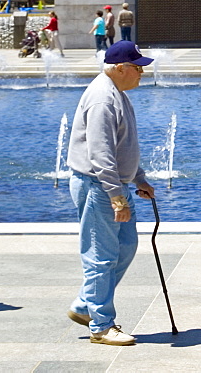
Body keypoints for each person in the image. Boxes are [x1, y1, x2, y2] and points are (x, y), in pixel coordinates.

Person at [66, 41, 155, 346]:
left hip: (113, 185)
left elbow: (122, 147)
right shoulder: (103, 98)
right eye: (138, 67)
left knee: (126, 246)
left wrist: (139, 178)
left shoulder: (118, 93)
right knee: (101, 257)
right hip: (99, 187)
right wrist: (116, 196)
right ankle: (101, 325)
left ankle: (84, 305)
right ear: (120, 69)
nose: (142, 73)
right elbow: (101, 154)